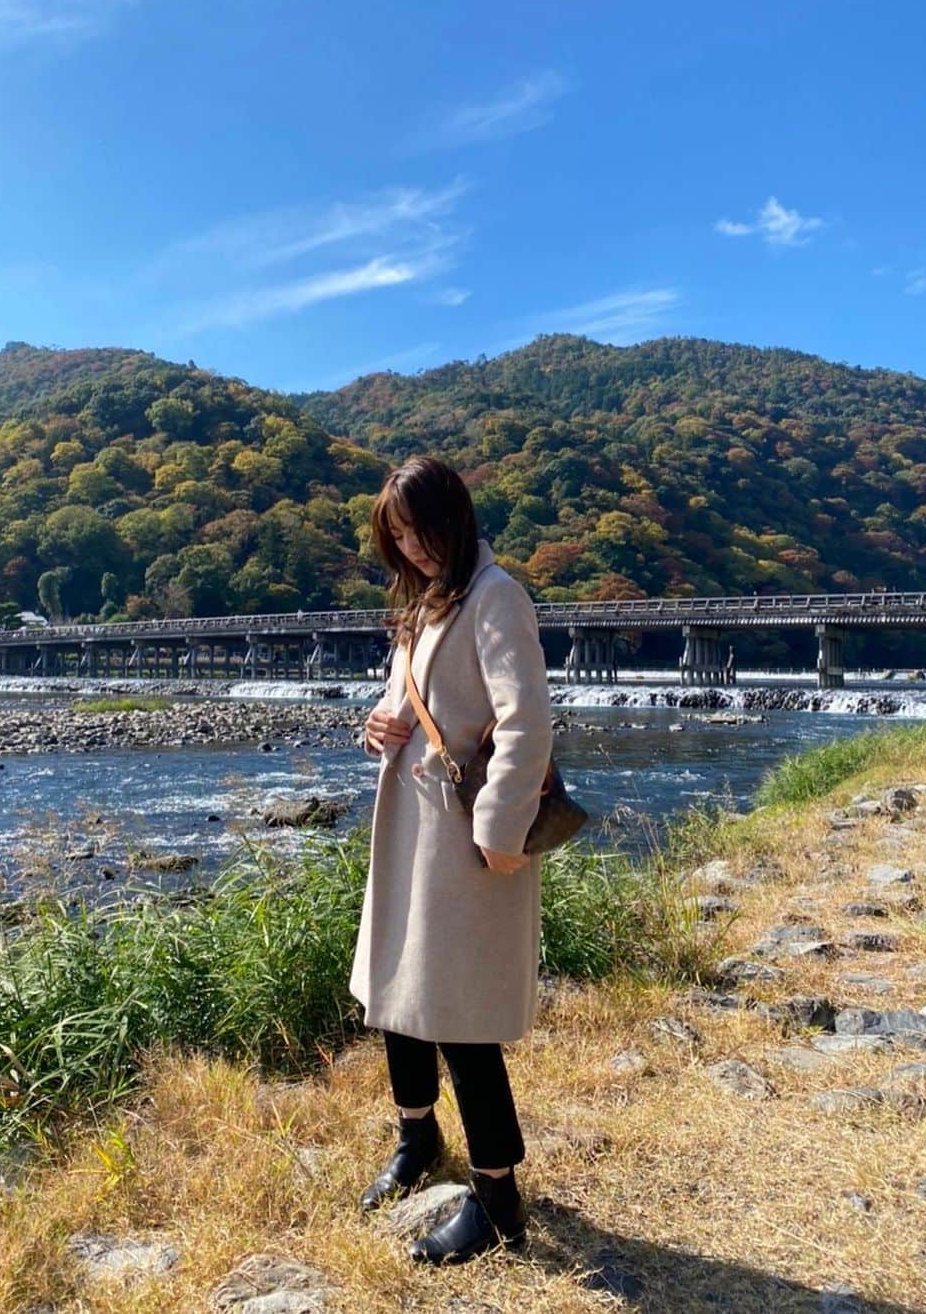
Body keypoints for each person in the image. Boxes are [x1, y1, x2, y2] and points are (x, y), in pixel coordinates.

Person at [350, 455, 553, 1265]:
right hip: (411, 828)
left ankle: (499, 1201)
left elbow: (528, 720)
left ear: (455, 517)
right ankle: (415, 1141)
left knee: (463, 1022)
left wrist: (500, 833)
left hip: (466, 843)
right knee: (401, 992)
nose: (412, 547)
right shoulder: (425, 604)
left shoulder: (497, 597)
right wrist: (377, 724)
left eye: (420, 529)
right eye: (397, 535)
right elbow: (404, 704)